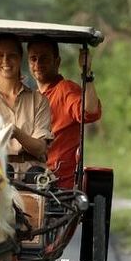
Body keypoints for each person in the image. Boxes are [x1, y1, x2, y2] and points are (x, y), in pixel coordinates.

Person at [0, 33, 52, 181]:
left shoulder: (39, 100)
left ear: (20, 58)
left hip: (33, 174)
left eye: (11, 55)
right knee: (0, 171)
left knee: (38, 177)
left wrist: (16, 132)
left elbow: (40, 148)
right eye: (0, 55)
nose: (5, 61)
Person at [27, 36, 102, 189]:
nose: (38, 64)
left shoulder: (65, 89)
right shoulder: (30, 97)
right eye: (33, 59)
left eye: (44, 58)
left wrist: (86, 73)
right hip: (27, 177)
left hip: (55, 184)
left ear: (57, 61)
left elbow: (90, 111)